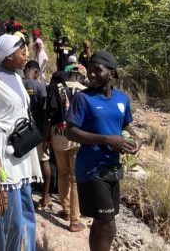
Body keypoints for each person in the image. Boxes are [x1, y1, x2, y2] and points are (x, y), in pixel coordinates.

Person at [66, 51, 142, 251]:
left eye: (96, 70)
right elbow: (71, 132)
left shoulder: (122, 99)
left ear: (111, 73)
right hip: (91, 170)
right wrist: (108, 140)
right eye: (88, 70)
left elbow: (125, 124)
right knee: (108, 227)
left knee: (101, 224)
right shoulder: (82, 99)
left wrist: (136, 138)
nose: (90, 74)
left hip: (112, 168)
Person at [0, 34, 42, 251]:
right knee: (8, 213)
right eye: (22, 52)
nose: (26, 56)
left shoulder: (17, 78)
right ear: (8, 55)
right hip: (3, 154)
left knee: (27, 211)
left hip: (21, 152)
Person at [50, 66, 87, 233]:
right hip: (77, 139)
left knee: (63, 173)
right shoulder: (86, 91)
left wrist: (47, 137)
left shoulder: (56, 87)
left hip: (58, 136)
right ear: (80, 75)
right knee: (75, 179)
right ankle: (74, 220)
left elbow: (49, 114)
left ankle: (65, 210)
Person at [22, 60, 51, 210]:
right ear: (36, 72)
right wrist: (47, 136)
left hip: (22, 132)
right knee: (44, 161)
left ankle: (24, 195)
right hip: (39, 130)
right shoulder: (40, 87)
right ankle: (45, 196)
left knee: (24, 164)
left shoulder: (18, 84)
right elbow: (47, 114)